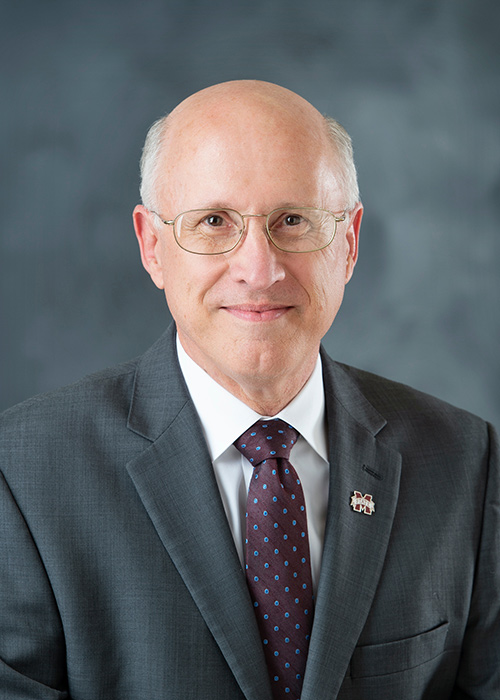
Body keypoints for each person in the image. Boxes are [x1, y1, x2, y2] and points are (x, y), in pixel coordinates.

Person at [0, 80, 498, 700]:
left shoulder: (464, 460)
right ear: (152, 246)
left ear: (348, 242)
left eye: (293, 220)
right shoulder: (24, 475)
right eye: (213, 222)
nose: (259, 270)